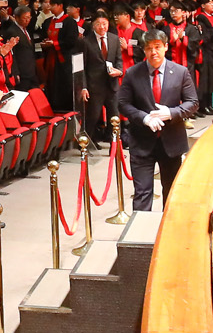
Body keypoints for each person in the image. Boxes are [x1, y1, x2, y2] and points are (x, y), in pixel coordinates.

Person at [114, 30, 198, 211]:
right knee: (142, 193)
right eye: (149, 48)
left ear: (166, 47)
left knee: (171, 193)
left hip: (172, 142)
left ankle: (167, 236)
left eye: (158, 47)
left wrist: (172, 112)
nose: (154, 52)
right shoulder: (132, 73)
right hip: (142, 141)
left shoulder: (180, 72)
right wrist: (143, 118)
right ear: (144, 50)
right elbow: (123, 104)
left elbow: (193, 103)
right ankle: (141, 236)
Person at [78, 12, 122, 145]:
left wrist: (119, 71)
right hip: (94, 86)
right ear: (93, 26)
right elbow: (82, 67)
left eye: (104, 24)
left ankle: (115, 147)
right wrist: (83, 87)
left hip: (112, 85)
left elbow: (118, 60)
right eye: (98, 24)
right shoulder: (86, 41)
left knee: (114, 117)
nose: (102, 27)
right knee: (93, 117)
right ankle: (85, 143)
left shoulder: (114, 39)